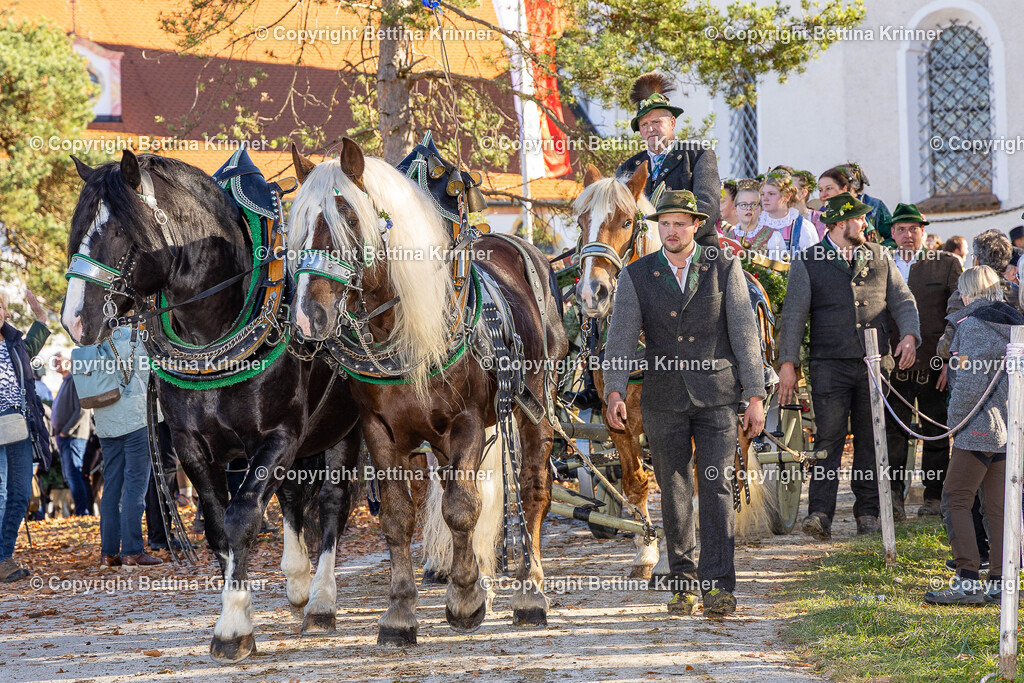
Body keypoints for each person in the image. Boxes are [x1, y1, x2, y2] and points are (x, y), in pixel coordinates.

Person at [602, 189, 766, 617]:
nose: (671, 232)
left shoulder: (725, 267)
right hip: (664, 398)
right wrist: (615, 390)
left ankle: (718, 586)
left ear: (696, 225)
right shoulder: (637, 275)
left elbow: (746, 336)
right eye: (664, 224)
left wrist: (755, 395)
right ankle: (684, 583)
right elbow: (619, 338)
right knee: (673, 492)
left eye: (680, 223)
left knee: (715, 486)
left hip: (716, 397)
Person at [778, 192, 920, 541]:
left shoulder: (880, 256)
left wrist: (910, 337)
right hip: (828, 364)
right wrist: (787, 364)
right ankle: (820, 512)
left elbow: (902, 300)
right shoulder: (808, 260)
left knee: (872, 437)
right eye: (860, 218)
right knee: (828, 438)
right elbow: (794, 317)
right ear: (841, 223)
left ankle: (868, 511)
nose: (866, 224)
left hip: (875, 363)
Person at [923, 266, 1023, 605]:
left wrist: (954, 424)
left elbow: (967, 384)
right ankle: (1000, 581)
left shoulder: (973, 326)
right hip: (1008, 427)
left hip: (978, 427)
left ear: (967, 293)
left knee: (956, 499)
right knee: (997, 507)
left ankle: (967, 579)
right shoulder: (1015, 323)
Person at [885, 204, 961, 518]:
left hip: (933, 362)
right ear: (891, 233)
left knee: (934, 430)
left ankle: (933, 497)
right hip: (892, 363)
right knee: (894, 432)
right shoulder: (881, 263)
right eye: (900, 229)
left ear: (923, 231)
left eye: (913, 229)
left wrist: (948, 360)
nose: (906, 235)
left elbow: (957, 315)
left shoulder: (945, 264)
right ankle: (893, 498)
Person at [73, 326, 163, 568]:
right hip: (135, 420)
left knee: (112, 486)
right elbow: (149, 374)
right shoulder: (134, 336)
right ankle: (132, 551)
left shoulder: (92, 338)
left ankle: (109, 552)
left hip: (105, 422)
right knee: (135, 487)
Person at [617, 72, 722, 247]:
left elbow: (707, 206)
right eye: (644, 125)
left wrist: (671, 240)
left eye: (657, 122)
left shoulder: (698, 155)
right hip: (643, 257)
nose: (650, 129)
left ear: (672, 123)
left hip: (695, 252)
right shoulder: (627, 169)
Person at [0, 290, 52, 583]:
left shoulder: (15, 343)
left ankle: (3, 555)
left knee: (20, 495)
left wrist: (41, 317)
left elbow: (33, 341)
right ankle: (2, 559)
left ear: (5, 311)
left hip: (18, 427)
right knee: (0, 494)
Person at [51, 354, 93, 516]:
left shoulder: (76, 380)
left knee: (74, 473)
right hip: (65, 438)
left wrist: (64, 431)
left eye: (58, 360)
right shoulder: (66, 382)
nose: (55, 363)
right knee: (71, 475)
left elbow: (82, 409)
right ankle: (81, 510)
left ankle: (82, 511)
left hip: (73, 437)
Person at [755, 168, 816, 259]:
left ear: (787, 197)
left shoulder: (803, 227)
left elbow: (813, 262)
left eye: (771, 194)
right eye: (763, 194)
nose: (765, 198)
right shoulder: (755, 224)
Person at [726, 180, 763, 247]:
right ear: (736, 210)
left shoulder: (773, 236)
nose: (749, 208)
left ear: (761, 210)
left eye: (754, 205)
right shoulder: (728, 237)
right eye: (743, 205)